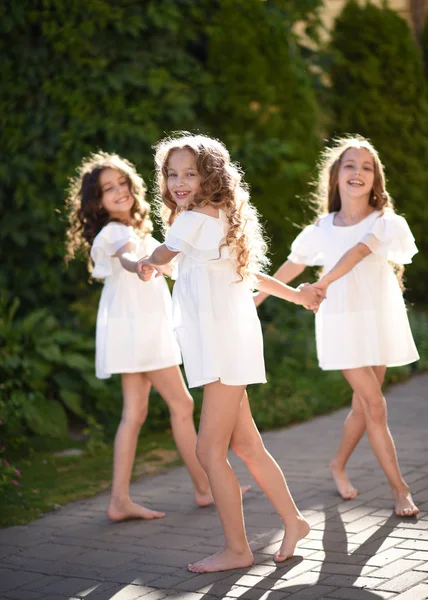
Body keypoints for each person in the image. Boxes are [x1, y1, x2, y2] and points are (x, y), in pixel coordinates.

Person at [138, 133, 324, 573]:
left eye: (190, 173)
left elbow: (162, 253)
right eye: (172, 173)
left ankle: (238, 550)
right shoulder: (215, 217)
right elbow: (251, 274)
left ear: (210, 177)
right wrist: (297, 297)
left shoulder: (190, 221)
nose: (179, 181)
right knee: (246, 444)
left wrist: (144, 262)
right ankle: (294, 521)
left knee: (208, 452)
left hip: (221, 344)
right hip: (226, 340)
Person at [255, 136, 419, 517]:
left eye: (366, 167)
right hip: (340, 322)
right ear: (335, 176)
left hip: (377, 319)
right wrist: (257, 299)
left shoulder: (385, 221)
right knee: (375, 405)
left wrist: (322, 283)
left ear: (376, 180)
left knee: (363, 408)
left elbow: (359, 252)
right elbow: (293, 265)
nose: (358, 172)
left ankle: (337, 465)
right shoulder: (322, 227)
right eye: (350, 165)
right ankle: (400, 489)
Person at [65, 151, 230, 522]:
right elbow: (127, 257)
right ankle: (205, 487)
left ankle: (120, 499)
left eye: (123, 183)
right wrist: (139, 264)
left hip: (132, 329)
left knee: (135, 412)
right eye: (109, 189)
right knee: (182, 405)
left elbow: (166, 262)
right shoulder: (118, 233)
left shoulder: (135, 230)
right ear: (97, 200)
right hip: (142, 330)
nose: (120, 191)